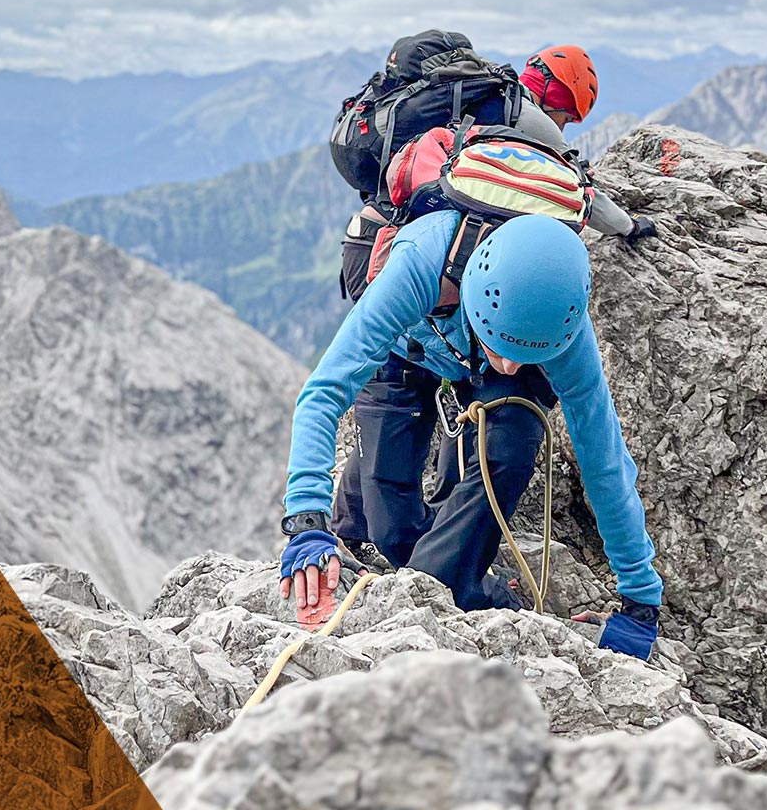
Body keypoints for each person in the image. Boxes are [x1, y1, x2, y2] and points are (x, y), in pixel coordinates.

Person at [283, 198, 664, 661]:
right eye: (501, 348)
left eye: (523, 356)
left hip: (487, 349)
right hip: (411, 346)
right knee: (392, 532)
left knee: (503, 458)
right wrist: (306, 521)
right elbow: (325, 391)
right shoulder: (420, 265)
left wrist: (641, 598)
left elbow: (604, 457)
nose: (510, 365)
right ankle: (357, 529)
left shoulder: (563, 331)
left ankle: (471, 592)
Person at [331, 46, 656, 575]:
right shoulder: (532, 129)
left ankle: (354, 529)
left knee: (392, 405)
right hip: (425, 281)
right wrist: (631, 226)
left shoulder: (473, 111)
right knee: (467, 393)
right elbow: (585, 195)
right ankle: (431, 543)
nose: (564, 126)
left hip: (374, 250)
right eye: (567, 116)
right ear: (562, 103)